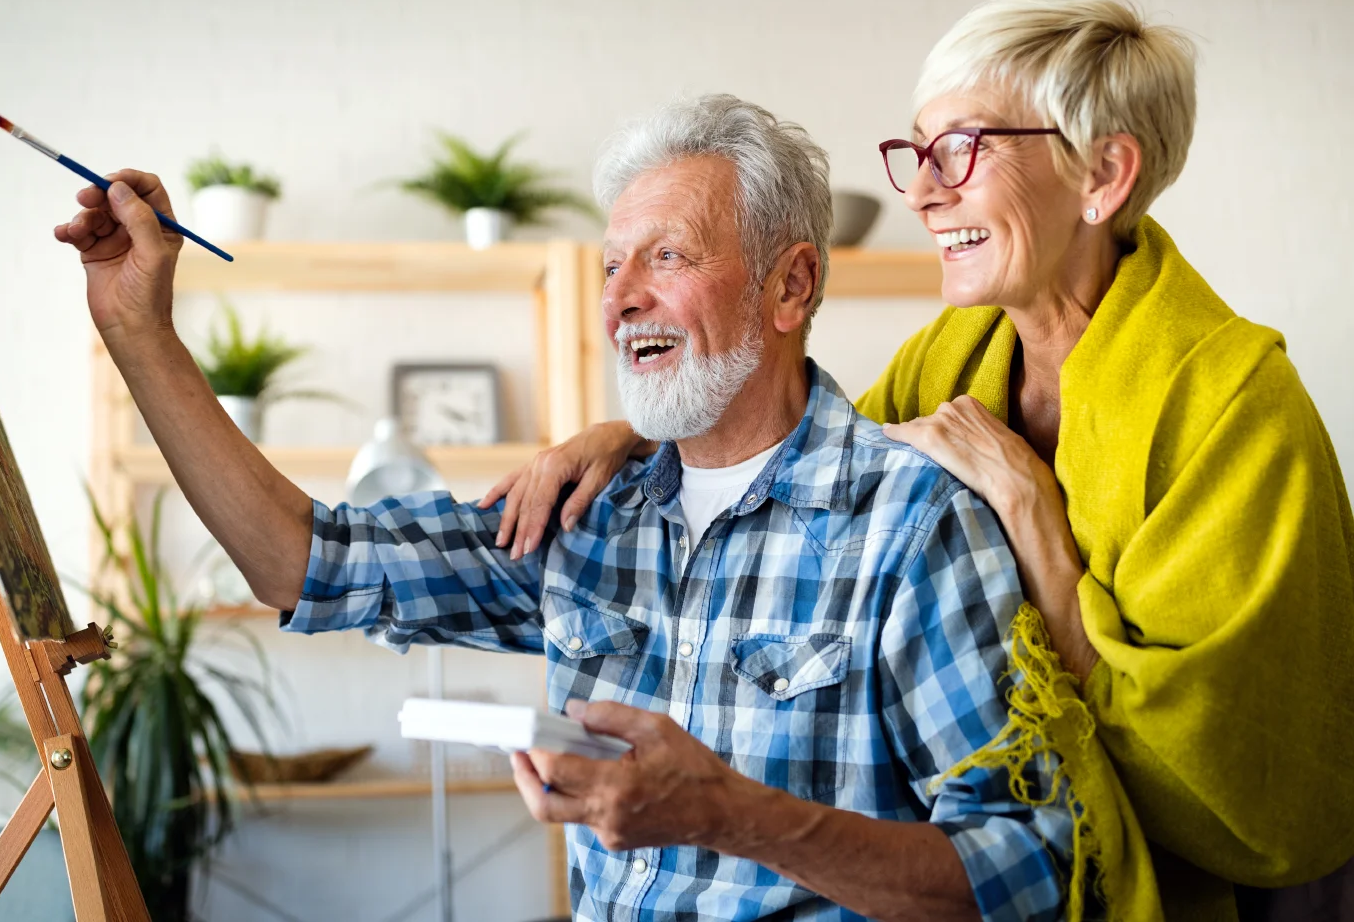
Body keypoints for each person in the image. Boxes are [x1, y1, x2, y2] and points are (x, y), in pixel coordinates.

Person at [57, 95, 1075, 922]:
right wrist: (139, 331)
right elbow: (300, 561)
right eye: (611, 263)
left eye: (667, 256)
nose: (620, 296)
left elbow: (1029, 868)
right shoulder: (588, 512)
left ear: (790, 285)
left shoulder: (911, 523)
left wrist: (734, 816)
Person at [482, 0, 1354, 921]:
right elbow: (809, 461)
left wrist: (1034, 521)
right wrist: (645, 436)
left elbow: (1241, 791)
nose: (923, 191)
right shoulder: (951, 356)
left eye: (964, 149)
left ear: (1102, 173)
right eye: (920, 151)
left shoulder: (1236, 405)